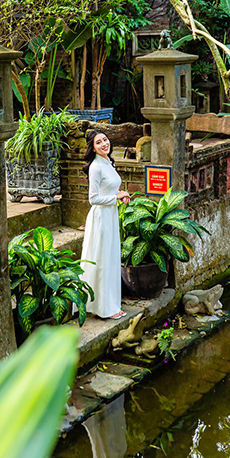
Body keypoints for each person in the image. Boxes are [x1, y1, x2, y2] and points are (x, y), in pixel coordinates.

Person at [81, 130, 130, 319]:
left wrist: (121, 194)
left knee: (111, 258)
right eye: (98, 142)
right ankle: (104, 308)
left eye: (105, 140)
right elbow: (93, 199)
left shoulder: (108, 163)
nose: (104, 144)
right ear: (92, 147)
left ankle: (110, 303)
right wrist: (115, 196)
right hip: (100, 218)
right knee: (102, 260)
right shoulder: (96, 167)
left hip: (110, 215)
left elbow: (110, 189)